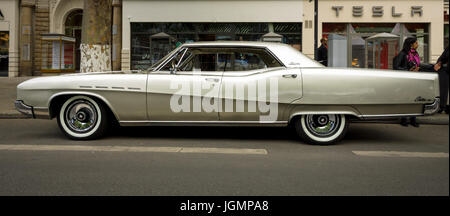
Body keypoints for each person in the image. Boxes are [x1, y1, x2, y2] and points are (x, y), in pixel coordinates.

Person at [393, 37, 423, 127]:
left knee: (414, 100)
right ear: (411, 44)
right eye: (416, 43)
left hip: (415, 80)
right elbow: (396, 67)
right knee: (406, 100)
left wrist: (418, 69)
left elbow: (417, 64)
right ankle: (404, 119)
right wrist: (409, 70)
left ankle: (413, 119)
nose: (418, 44)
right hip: (406, 80)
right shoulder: (403, 54)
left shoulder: (415, 54)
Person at [433, 45, 449, 114]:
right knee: (443, 90)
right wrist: (439, 63)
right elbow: (443, 57)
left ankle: (443, 107)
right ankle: (443, 106)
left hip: (446, 70)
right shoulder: (448, 48)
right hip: (446, 71)